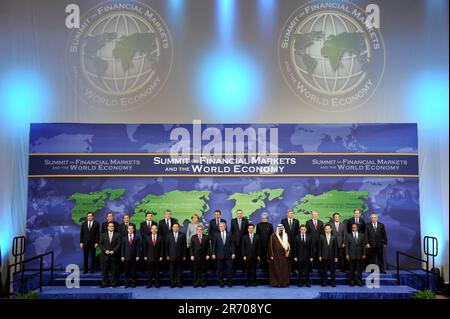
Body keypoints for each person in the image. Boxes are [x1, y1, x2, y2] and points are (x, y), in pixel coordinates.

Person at [212, 222, 235, 287]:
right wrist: (213, 253)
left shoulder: (229, 234)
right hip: (219, 254)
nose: (220, 227)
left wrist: (233, 253)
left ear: (225, 227)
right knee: (220, 270)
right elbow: (214, 245)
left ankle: (229, 282)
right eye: (219, 226)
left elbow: (232, 244)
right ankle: (221, 282)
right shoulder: (216, 234)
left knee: (229, 269)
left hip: (228, 254)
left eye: (221, 226)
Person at [99, 222, 121, 288]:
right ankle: (104, 283)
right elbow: (100, 244)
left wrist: (113, 251)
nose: (111, 227)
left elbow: (118, 244)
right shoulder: (103, 235)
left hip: (113, 255)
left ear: (114, 227)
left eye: (112, 226)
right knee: (104, 270)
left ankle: (113, 283)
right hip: (105, 255)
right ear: (107, 227)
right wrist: (105, 250)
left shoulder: (117, 234)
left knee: (113, 271)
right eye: (110, 226)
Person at [166, 223, 186, 288]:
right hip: (171, 256)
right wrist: (167, 255)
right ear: (172, 228)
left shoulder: (182, 235)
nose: (175, 228)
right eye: (174, 227)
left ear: (179, 228)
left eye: (177, 227)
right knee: (172, 271)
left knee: (179, 271)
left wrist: (184, 255)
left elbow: (184, 246)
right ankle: (172, 283)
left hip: (180, 256)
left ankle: (179, 283)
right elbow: (166, 247)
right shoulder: (168, 235)